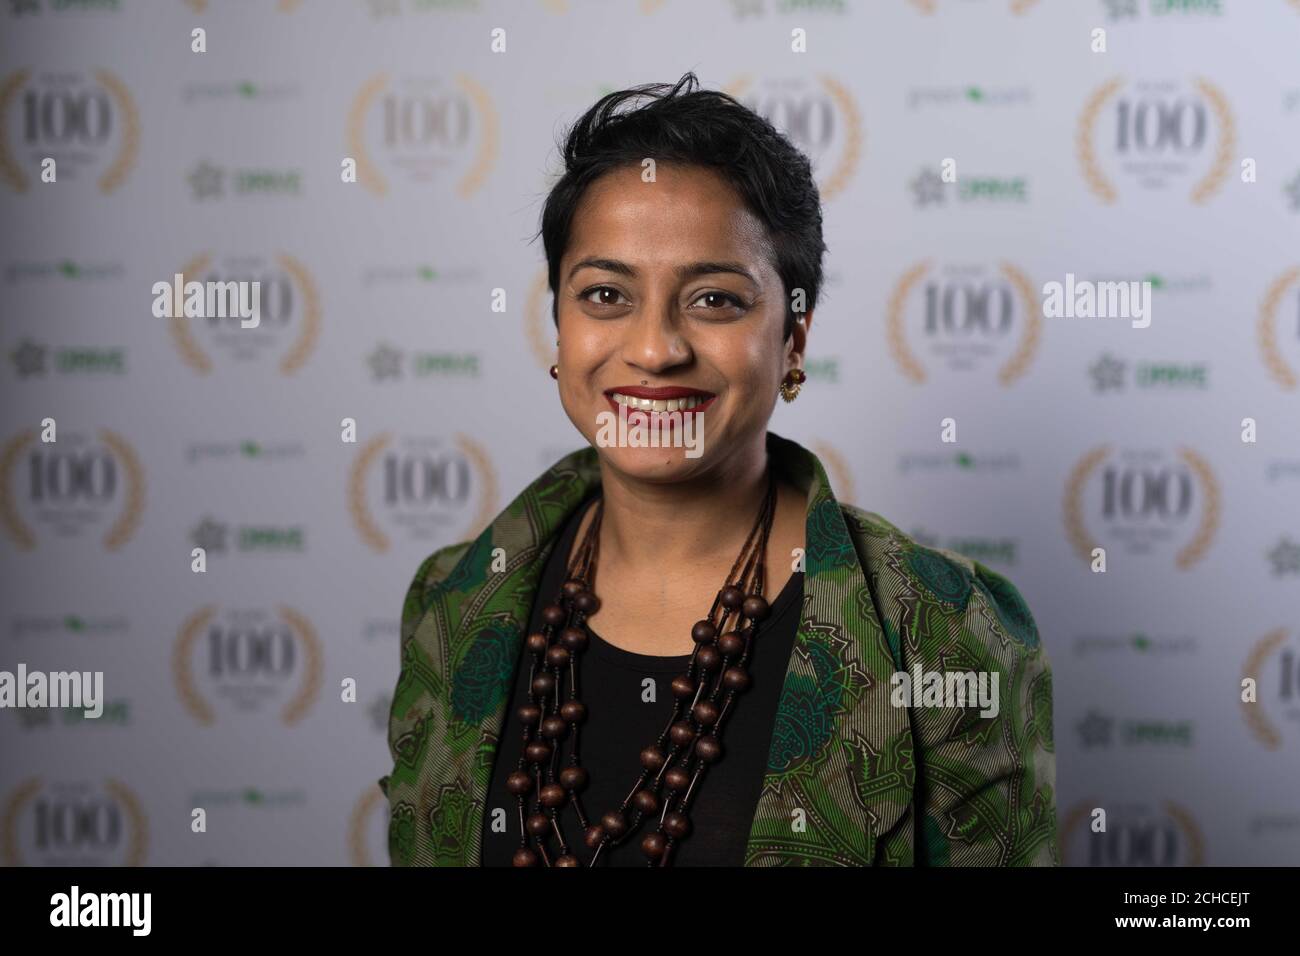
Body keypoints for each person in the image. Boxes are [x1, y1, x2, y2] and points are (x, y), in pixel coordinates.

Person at [381, 73, 1057, 867]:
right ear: (559, 328)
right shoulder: (454, 603)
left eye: (714, 301)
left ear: (793, 341)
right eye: (605, 294)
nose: (656, 349)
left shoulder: (944, 633)